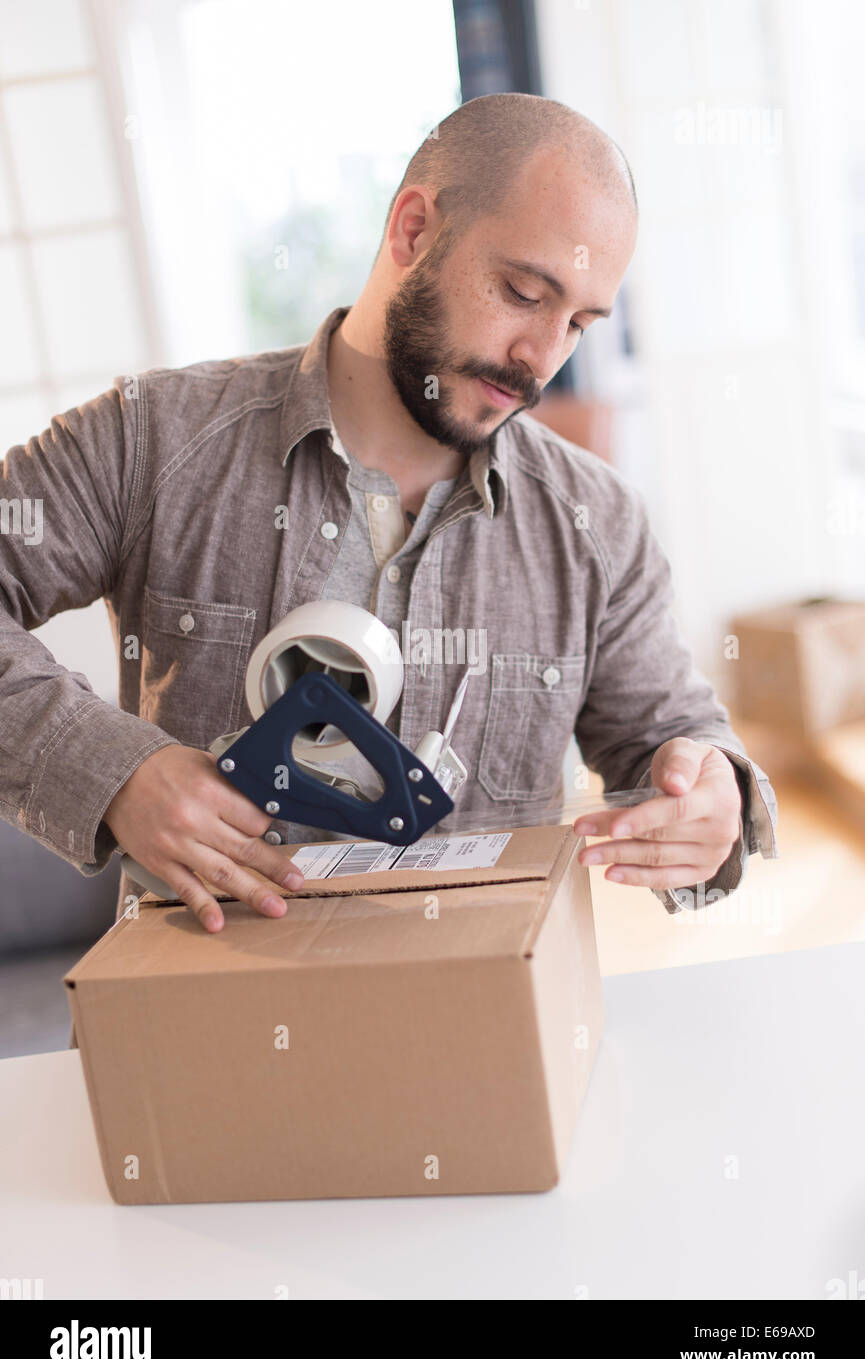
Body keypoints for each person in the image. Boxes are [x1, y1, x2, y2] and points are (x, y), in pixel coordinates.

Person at [0, 93, 777, 936]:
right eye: (523, 292)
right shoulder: (152, 438)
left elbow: (667, 732)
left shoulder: (600, 523)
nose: (541, 360)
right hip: (203, 1019)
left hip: (490, 1015)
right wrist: (117, 772)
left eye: (578, 325)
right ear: (413, 230)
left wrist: (709, 793)